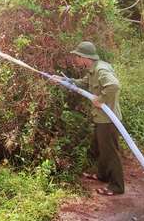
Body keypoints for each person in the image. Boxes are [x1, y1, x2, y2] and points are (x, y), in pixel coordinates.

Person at [50, 41, 124, 196]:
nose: (75, 59)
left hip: (108, 119)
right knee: (98, 147)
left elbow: (114, 85)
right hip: (101, 118)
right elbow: (83, 84)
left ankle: (117, 186)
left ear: (84, 57)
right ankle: (102, 175)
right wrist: (64, 80)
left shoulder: (101, 69)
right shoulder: (93, 70)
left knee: (110, 152)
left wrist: (100, 99)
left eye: (76, 56)